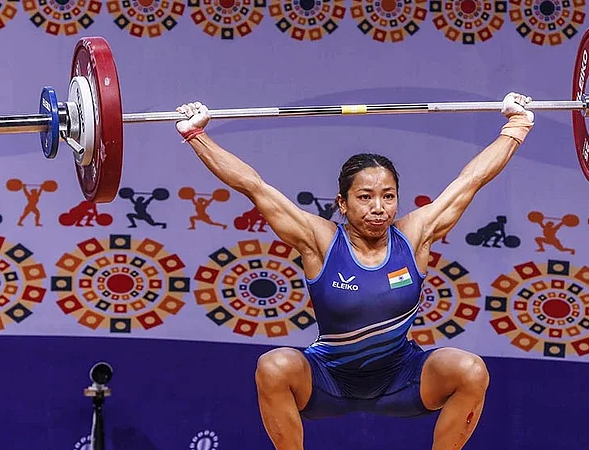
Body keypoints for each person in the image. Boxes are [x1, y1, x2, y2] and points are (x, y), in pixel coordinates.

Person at [174, 92, 535, 450]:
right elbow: (253, 186)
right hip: (327, 379)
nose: (378, 208)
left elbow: (470, 181)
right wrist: (197, 135)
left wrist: (516, 128)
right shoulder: (319, 240)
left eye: (388, 196)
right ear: (342, 204)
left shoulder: (415, 235)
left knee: (470, 370)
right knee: (274, 365)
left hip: (403, 378)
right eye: (365, 197)